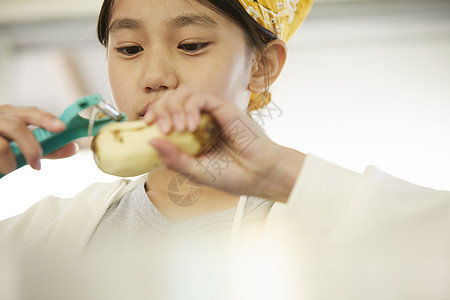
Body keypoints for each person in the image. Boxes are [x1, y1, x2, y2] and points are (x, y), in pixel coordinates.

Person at [1, 0, 449, 299]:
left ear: (262, 67)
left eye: (192, 45)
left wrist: (284, 176)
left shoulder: (342, 222)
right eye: (129, 48)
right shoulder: (41, 231)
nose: (154, 75)